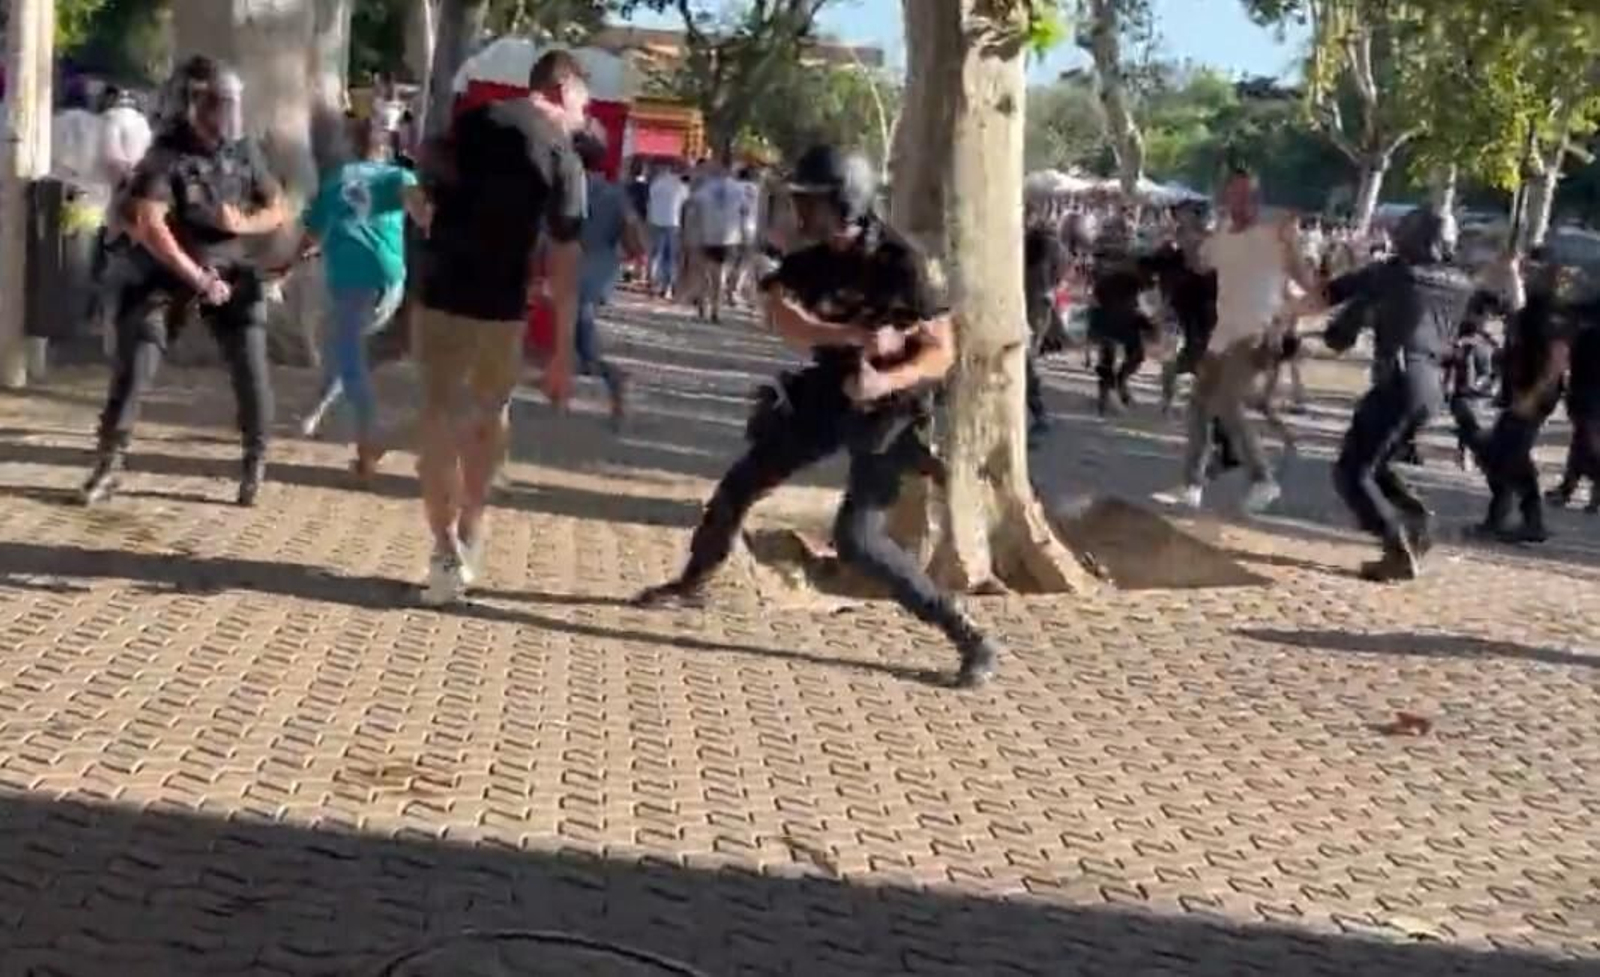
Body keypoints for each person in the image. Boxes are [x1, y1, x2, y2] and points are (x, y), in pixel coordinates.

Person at [633, 144, 1003, 689]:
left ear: (846, 202)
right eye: (798, 201)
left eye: (812, 202)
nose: (800, 213)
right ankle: (692, 581)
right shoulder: (812, 261)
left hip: (894, 405)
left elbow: (941, 351)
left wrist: (885, 377)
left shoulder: (906, 263)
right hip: (830, 389)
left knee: (856, 539)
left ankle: (968, 635)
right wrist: (847, 337)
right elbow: (780, 313)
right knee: (741, 484)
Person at [411, 49, 587, 606]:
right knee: (489, 421)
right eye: (583, 104)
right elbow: (564, 256)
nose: (585, 117)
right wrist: (562, 351)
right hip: (502, 309)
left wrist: (439, 242)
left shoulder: (472, 123)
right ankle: (468, 532)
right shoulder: (563, 154)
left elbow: (421, 198)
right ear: (562, 91)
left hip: (439, 295)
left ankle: (443, 551)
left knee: (438, 420)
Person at [81, 56, 289, 508]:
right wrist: (195, 276)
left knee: (252, 369)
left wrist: (244, 222)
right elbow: (150, 225)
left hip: (232, 271)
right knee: (137, 363)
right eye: (218, 105)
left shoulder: (245, 151)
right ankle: (109, 463)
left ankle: (255, 461)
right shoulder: (166, 154)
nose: (225, 117)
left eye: (231, 105)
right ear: (195, 105)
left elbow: (277, 207)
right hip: (171, 270)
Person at [1316, 206, 1475, 580]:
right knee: (1377, 465)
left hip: (1399, 381)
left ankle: (1395, 547)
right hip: (1432, 388)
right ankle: (1417, 519)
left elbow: (1332, 304)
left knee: (1351, 472)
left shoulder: (1392, 273)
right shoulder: (1462, 283)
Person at [1174, 168, 1318, 512]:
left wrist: (1292, 244)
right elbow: (1199, 265)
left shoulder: (1273, 236)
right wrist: (1188, 236)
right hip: (1222, 334)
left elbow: (1306, 280)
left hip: (1258, 332)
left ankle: (1263, 479)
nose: (1243, 201)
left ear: (1258, 198)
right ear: (1226, 199)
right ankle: (1192, 485)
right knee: (1198, 405)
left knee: (1227, 402)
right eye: (1236, 194)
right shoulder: (1223, 235)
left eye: (1250, 195)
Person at [296, 115, 430, 476]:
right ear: (385, 147)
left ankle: (370, 436)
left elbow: (310, 236)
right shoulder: (397, 176)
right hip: (389, 280)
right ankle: (311, 415)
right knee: (347, 351)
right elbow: (419, 209)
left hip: (355, 278)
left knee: (349, 357)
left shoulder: (336, 180)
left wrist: (294, 258)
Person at [1454, 262, 1571, 544]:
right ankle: (1504, 517)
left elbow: (1557, 361)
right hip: (1521, 391)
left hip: (1535, 395)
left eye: (1534, 275)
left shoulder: (1552, 315)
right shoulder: (1532, 311)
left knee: (1510, 454)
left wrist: (1532, 396)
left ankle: (1530, 521)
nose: (1528, 278)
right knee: (1500, 454)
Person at [574, 129, 644, 427]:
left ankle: (616, 380)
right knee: (577, 344)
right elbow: (634, 244)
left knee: (581, 348)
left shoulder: (559, 189)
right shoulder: (616, 195)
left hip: (567, 274)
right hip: (596, 273)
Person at [1548, 301, 1600, 513]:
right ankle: (1573, 491)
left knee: (1586, 443)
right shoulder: (1585, 330)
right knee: (1582, 442)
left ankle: (1574, 491)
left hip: (1588, 393)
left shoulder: (1585, 331)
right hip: (1585, 392)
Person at [1024, 212, 1067, 438]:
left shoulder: (1031, 242)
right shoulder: (1050, 244)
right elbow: (1061, 272)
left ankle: (1038, 411)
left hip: (1030, 305)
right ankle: (1038, 411)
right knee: (1026, 358)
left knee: (1025, 359)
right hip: (1036, 306)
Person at [692, 158, 746, 323]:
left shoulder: (706, 188)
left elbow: (694, 205)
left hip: (707, 233)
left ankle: (703, 305)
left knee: (704, 273)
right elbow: (744, 210)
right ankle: (716, 310)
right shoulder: (739, 189)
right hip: (729, 236)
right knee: (720, 276)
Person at [646, 162, 688, 298]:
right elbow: (685, 207)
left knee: (655, 255)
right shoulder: (682, 187)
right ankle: (667, 287)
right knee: (670, 257)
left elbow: (650, 202)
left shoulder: (657, 184)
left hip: (655, 221)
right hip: (673, 223)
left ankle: (652, 284)